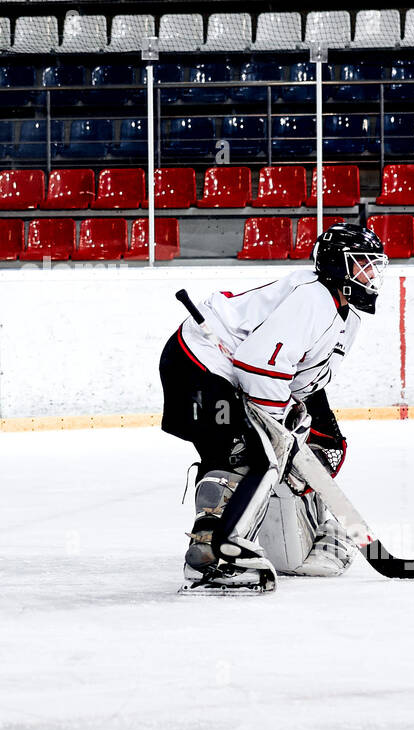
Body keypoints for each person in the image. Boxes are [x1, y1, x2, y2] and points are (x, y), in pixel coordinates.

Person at [158, 223, 387, 592]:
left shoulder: (346, 316)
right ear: (336, 266)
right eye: (362, 264)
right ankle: (217, 556)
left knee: (282, 451)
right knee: (249, 458)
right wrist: (277, 425)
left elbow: (301, 376)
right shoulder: (312, 297)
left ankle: (227, 546)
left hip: (223, 370)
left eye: (375, 265)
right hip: (198, 365)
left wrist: (297, 413)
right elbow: (259, 363)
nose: (372, 274)